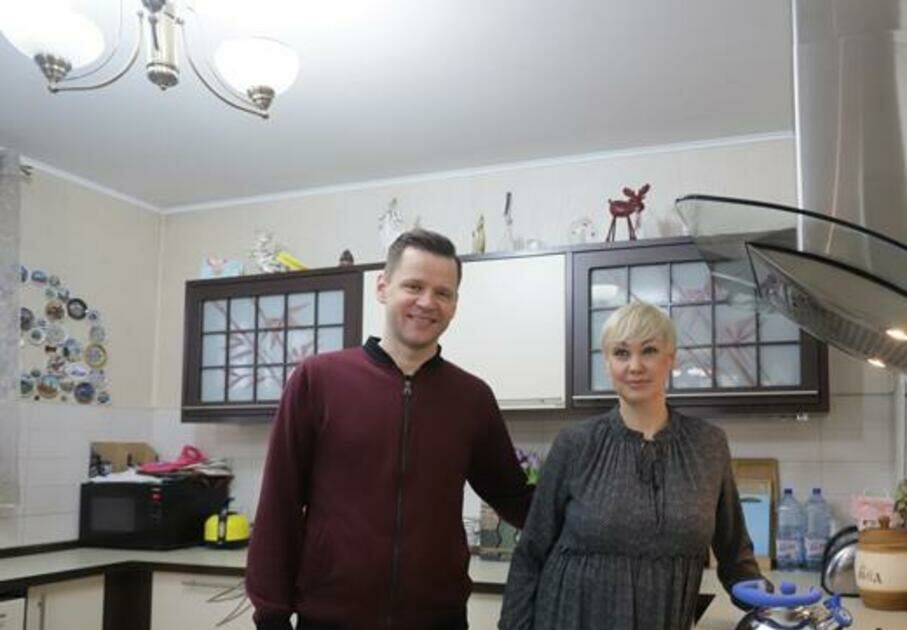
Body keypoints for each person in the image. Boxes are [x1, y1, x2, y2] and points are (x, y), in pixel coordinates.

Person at [247, 228, 534, 630]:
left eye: (443, 293)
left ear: (454, 305)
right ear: (383, 288)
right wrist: (271, 615)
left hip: (439, 620)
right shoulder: (318, 380)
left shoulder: (472, 398)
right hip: (331, 619)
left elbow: (515, 497)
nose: (427, 302)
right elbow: (280, 501)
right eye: (413, 286)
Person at [498, 302, 763, 630]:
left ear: (671, 358)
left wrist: (769, 601)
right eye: (621, 353)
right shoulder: (575, 443)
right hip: (568, 618)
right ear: (607, 362)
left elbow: (735, 555)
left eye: (649, 351)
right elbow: (531, 551)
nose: (635, 366)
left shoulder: (708, 445)